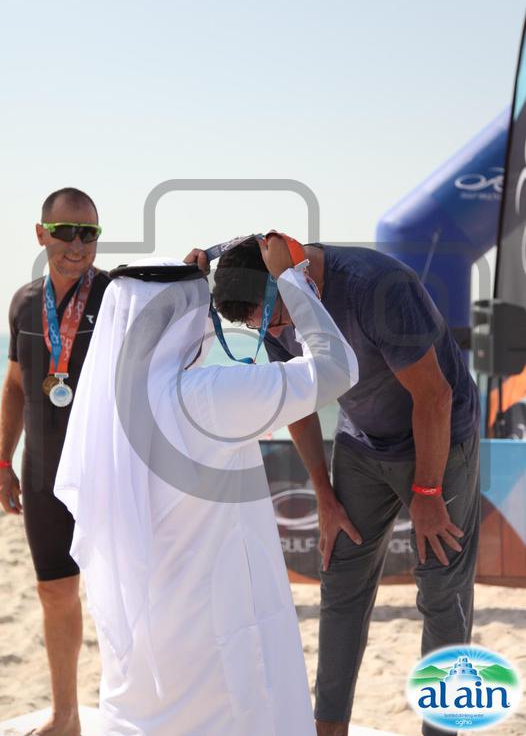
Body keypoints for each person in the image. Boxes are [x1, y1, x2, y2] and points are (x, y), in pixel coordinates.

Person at [53, 234, 359, 736]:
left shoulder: (106, 410)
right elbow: (336, 369)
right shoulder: (208, 398)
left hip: (145, 630)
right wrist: (290, 280)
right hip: (215, 629)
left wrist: (181, 288)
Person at [207, 238, 481, 736]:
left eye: (275, 318)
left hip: (437, 438)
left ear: (288, 275)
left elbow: (435, 397)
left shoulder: (378, 287)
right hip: (361, 444)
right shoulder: (271, 306)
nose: (278, 332)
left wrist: (428, 492)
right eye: (261, 328)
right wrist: (325, 496)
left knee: (443, 592)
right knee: (341, 585)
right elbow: (298, 402)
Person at [0, 188, 109, 736]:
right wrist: (3, 461)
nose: (76, 245)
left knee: (124, 595)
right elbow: (17, 386)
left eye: (88, 233)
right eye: (65, 232)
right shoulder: (23, 302)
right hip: (43, 473)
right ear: (41, 233)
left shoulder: (115, 296)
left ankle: (139, 712)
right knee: (54, 590)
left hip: (106, 473)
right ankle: (66, 716)